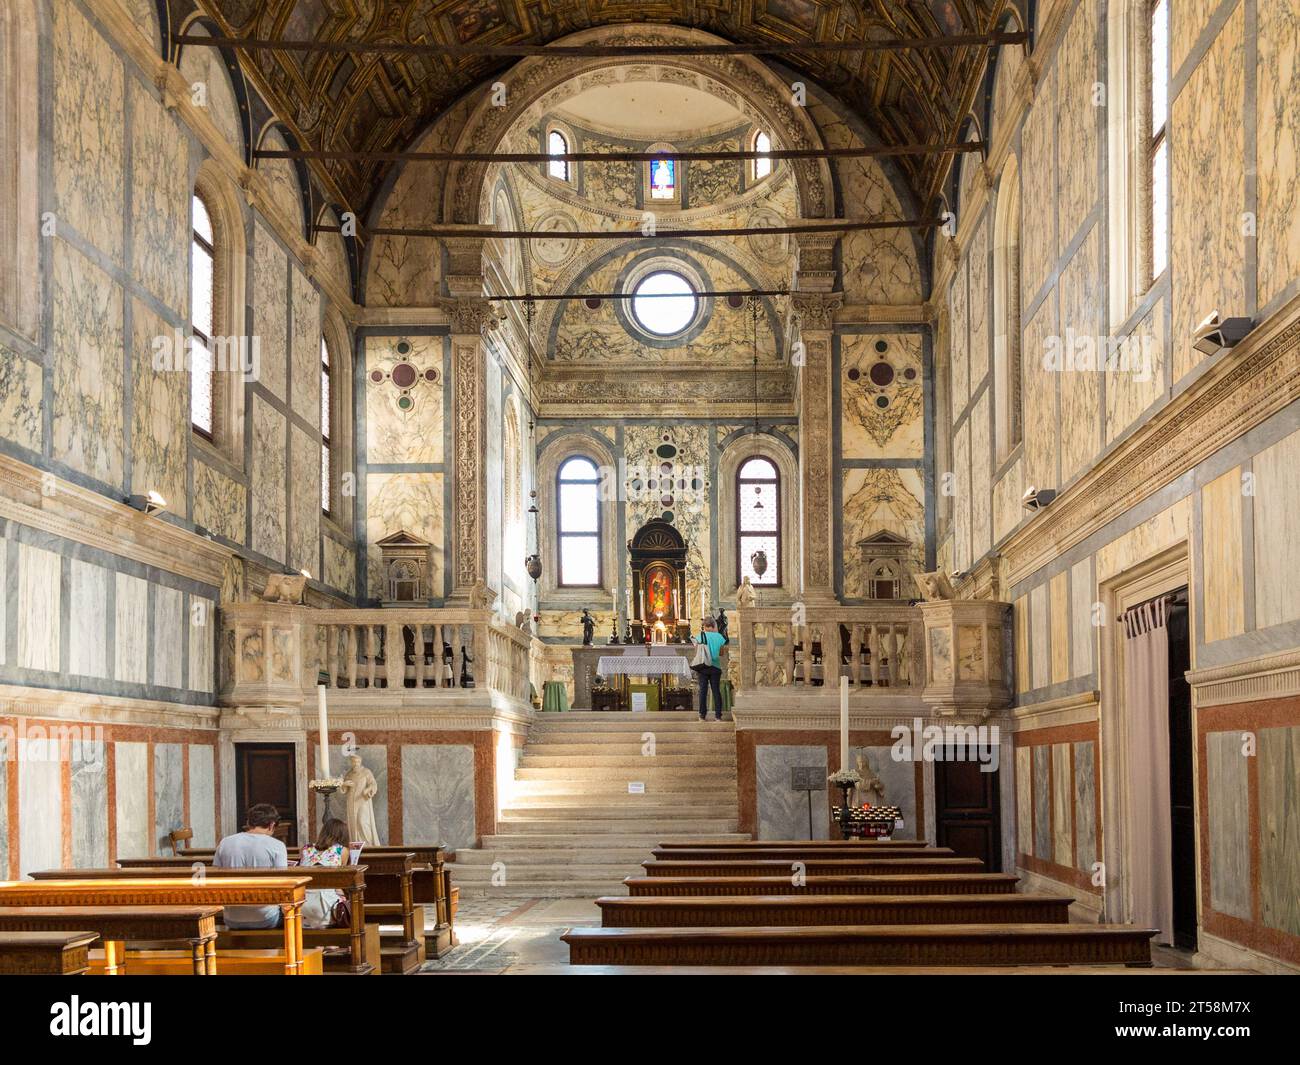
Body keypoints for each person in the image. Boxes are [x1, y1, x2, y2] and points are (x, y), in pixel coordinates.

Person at [213, 803, 288, 929]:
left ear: (249, 822)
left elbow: (215, 875)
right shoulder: (277, 845)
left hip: (231, 917)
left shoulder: (225, 842)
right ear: (272, 825)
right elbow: (283, 881)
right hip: (266, 916)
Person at [299, 817, 350, 929]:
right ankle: (335, 943)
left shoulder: (305, 849)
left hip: (302, 906)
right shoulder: (342, 850)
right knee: (347, 902)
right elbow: (340, 879)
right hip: (325, 908)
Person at [693, 618, 728, 721]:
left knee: (703, 691)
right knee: (716, 691)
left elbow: (697, 653)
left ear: (704, 626)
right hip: (715, 667)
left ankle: (702, 716)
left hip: (703, 667)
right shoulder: (720, 637)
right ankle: (718, 716)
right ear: (714, 625)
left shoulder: (699, 636)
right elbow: (721, 653)